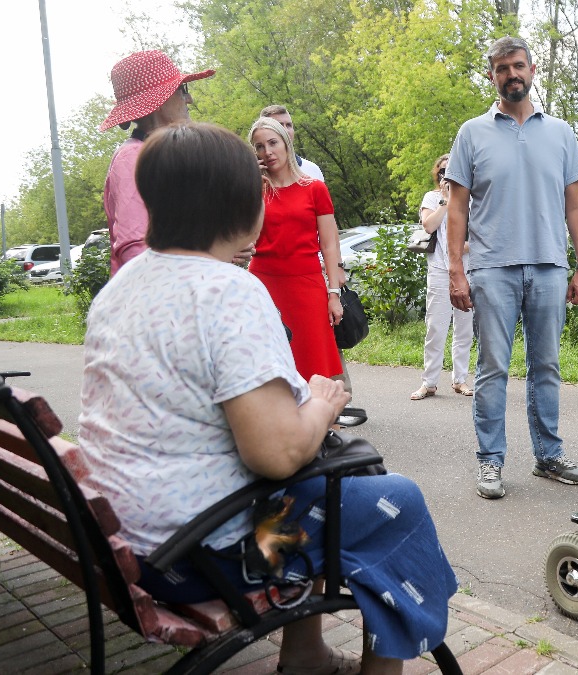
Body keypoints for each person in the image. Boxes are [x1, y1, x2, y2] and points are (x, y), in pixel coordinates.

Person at [78, 122, 455, 674]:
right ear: (248, 208)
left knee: (331, 480)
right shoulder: (229, 290)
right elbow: (275, 454)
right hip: (209, 554)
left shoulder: (119, 290)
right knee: (393, 500)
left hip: (129, 539)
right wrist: (323, 405)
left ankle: (305, 655)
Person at [445, 36, 578, 500]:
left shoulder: (562, 133)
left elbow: (576, 204)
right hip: (492, 268)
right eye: (502, 68)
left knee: (545, 365)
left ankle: (548, 456)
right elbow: (456, 208)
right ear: (492, 76)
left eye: (519, 66)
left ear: (532, 70)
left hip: (549, 267)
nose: (512, 74)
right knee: (493, 369)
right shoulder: (472, 133)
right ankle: (490, 462)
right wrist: (455, 269)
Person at [260, 104, 355, 398]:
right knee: (271, 368)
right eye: (259, 147)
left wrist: (334, 293)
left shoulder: (314, 187)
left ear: (286, 142)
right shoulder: (253, 189)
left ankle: (326, 436)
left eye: (273, 143)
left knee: (317, 370)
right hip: (265, 284)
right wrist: (250, 186)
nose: (267, 152)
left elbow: (329, 244)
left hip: (307, 284)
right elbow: (244, 239)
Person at [99, 50, 216, 276]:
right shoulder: (132, 159)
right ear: (160, 100)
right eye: (183, 90)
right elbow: (136, 250)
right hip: (159, 303)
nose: (188, 99)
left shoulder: (157, 155)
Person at [411, 153, 475, 400]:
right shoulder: (433, 198)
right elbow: (428, 226)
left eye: (451, 172)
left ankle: (460, 380)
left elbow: (480, 238)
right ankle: (429, 382)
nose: (446, 177)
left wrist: (461, 247)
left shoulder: (472, 200)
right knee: (435, 327)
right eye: (442, 172)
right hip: (439, 270)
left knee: (464, 328)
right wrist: (446, 201)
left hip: (468, 270)